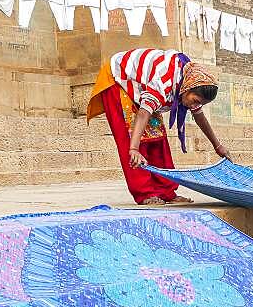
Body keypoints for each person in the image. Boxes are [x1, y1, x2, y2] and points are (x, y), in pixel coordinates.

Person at [86, 48, 232, 205]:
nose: (195, 105)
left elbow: (199, 116)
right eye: (195, 100)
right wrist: (133, 148)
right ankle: (145, 193)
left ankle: (166, 191)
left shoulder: (189, 82)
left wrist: (218, 146)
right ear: (187, 88)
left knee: (157, 137)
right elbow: (143, 114)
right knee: (132, 136)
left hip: (142, 86)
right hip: (118, 80)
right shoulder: (164, 83)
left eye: (200, 103)